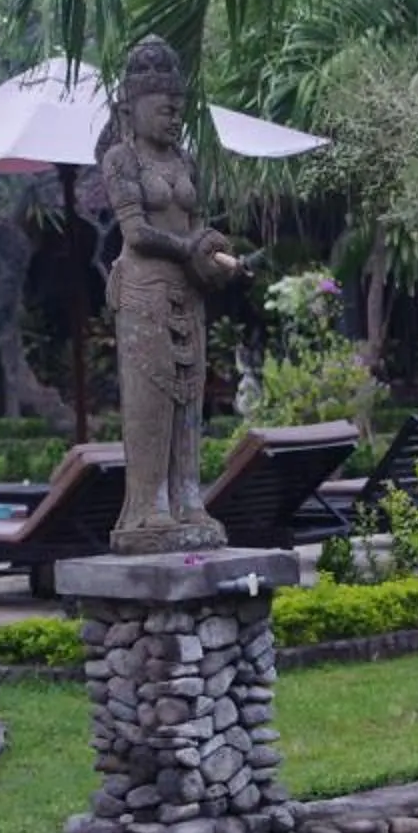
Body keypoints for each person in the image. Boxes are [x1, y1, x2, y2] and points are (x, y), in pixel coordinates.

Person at [101, 37, 241, 550]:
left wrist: (213, 250)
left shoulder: (185, 160)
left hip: (188, 293)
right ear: (131, 109)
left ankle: (188, 495)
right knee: (150, 399)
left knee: (190, 398)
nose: (172, 117)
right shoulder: (121, 160)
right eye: (162, 109)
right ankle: (148, 504)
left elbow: (200, 226)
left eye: (178, 109)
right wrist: (191, 248)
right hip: (142, 291)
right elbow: (136, 233)